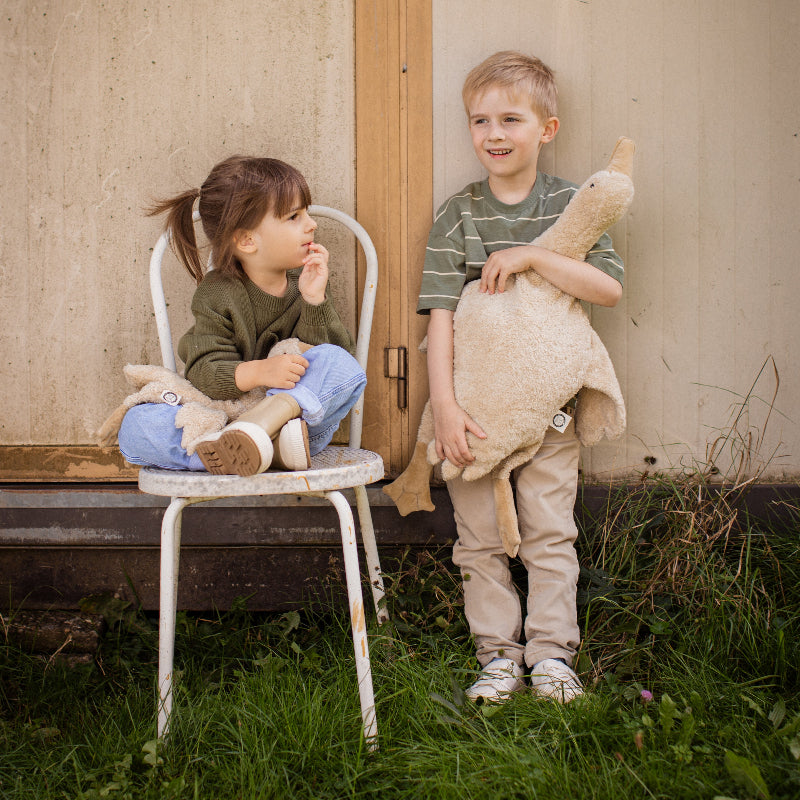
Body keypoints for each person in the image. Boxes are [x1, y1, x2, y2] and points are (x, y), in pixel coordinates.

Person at [417, 51, 624, 703]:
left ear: (547, 128)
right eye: (480, 121)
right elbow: (440, 316)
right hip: (473, 414)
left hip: (550, 414)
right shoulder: (459, 215)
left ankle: (553, 656)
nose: (495, 134)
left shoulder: (571, 207)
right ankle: (498, 657)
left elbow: (609, 289)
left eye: (511, 119)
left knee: (549, 533)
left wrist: (534, 254)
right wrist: (444, 408)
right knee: (477, 540)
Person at [118, 155, 366, 476]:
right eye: (294, 216)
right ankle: (235, 450)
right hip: (223, 419)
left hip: (293, 428)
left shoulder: (304, 280)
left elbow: (327, 358)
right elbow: (204, 372)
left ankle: (262, 437)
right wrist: (261, 371)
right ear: (247, 240)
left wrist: (314, 299)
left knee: (342, 363)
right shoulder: (218, 292)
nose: (311, 223)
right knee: (135, 426)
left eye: (306, 213)